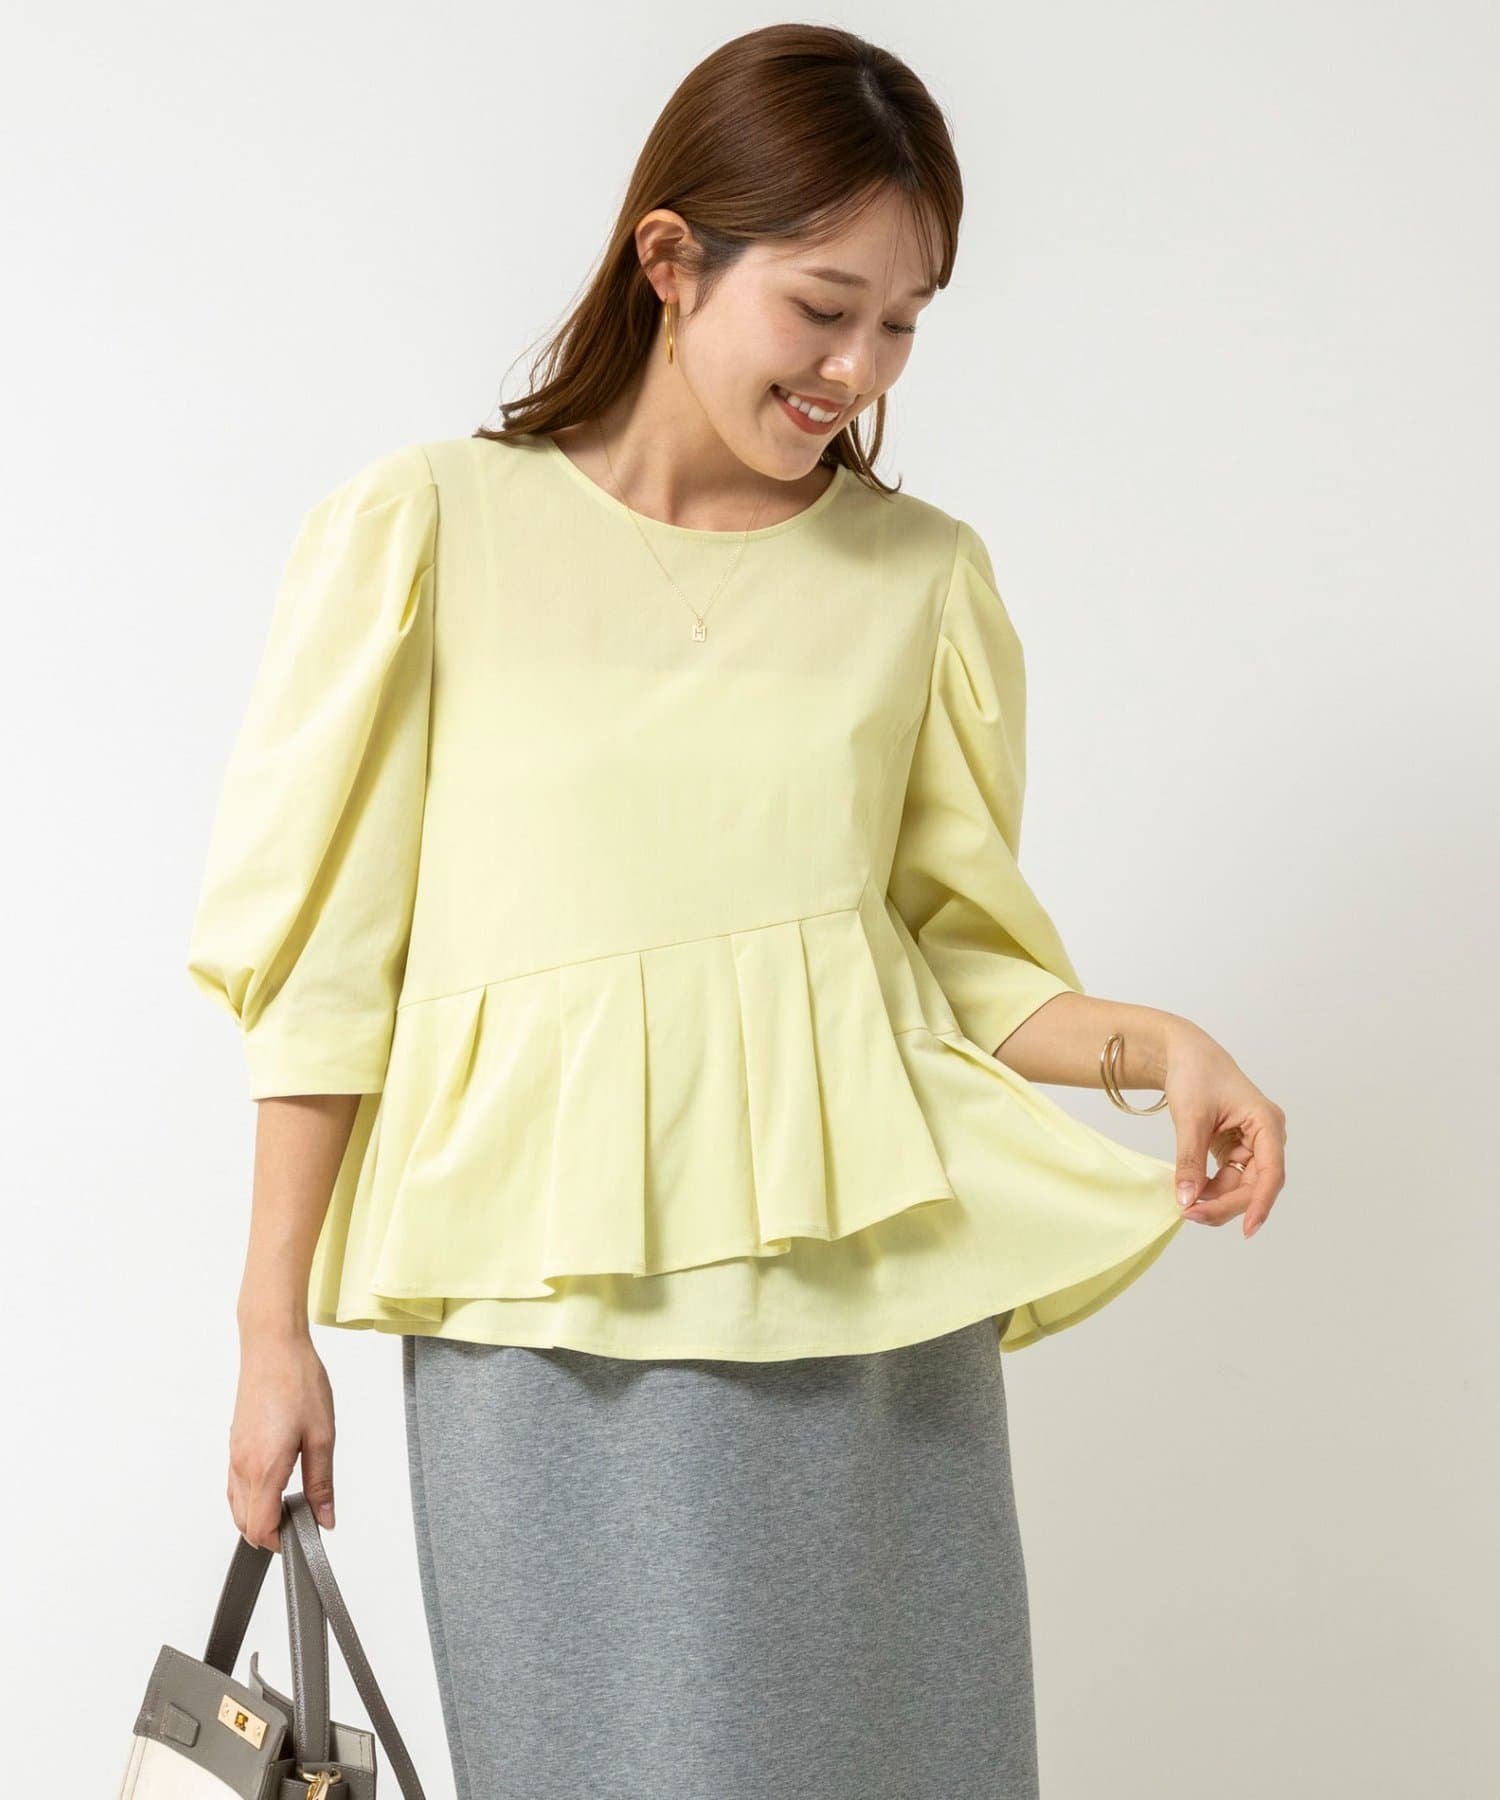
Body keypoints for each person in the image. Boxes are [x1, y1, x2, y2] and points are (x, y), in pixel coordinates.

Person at [186, 24, 1286, 1800]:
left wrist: (1158, 1049)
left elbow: (952, 958)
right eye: (824, 306)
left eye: (905, 321)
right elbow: (329, 973)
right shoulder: (433, 530)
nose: (860, 367)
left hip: (874, 1331)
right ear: (671, 259)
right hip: (545, 1325)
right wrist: (269, 1332)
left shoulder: (918, 579)